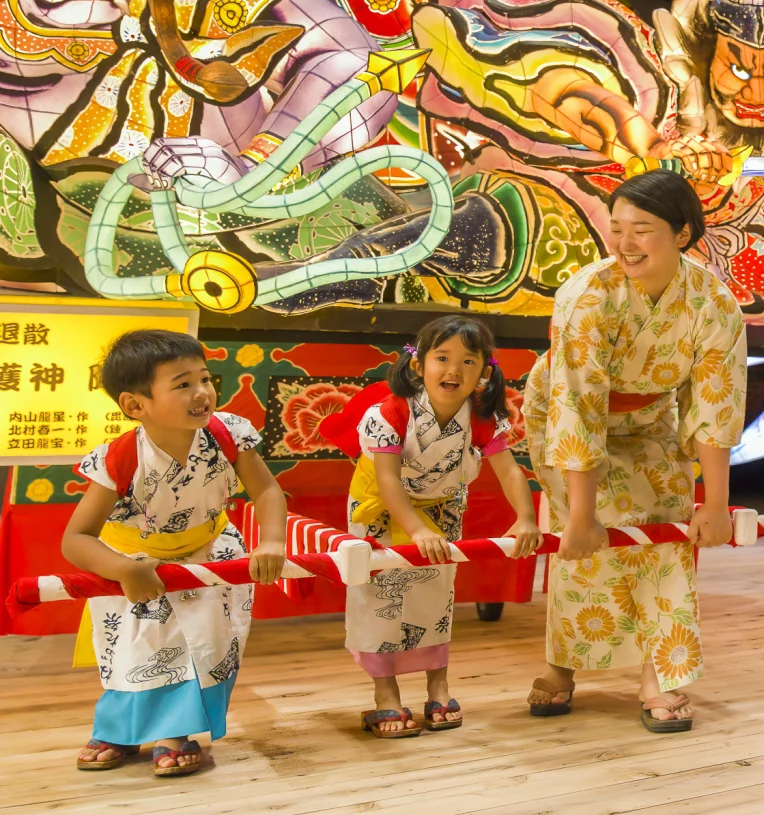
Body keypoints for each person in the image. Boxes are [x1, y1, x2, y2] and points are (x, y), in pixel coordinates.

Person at [523, 169, 748, 732]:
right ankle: (562, 665)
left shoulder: (713, 303)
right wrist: (577, 514)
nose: (623, 243)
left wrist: (714, 504)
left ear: (683, 233)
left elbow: (713, 405)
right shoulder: (586, 295)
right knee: (587, 538)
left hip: (651, 420)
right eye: (616, 227)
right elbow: (578, 403)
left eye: (641, 229)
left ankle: (660, 674)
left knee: (667, 530)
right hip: (563, 418)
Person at [61, 330, 287, 776]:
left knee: (201, 644)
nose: (202, 392)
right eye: (182, 384)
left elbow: (268, 491)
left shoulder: (227, 434)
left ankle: (176, 733)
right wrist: (125, 569)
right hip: (135, 562)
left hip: (210, 552)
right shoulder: (119, 459)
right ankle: (119, 731)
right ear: (135, 405)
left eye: (204, 378)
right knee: (135, 650)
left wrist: (273, 540)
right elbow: (76, 539)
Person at [318, 315, 541, 738]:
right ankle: (386, 696)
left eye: (468, 361)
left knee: (435, 599)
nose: (454, 370)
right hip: (380, 508)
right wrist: (417, 531)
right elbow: (386, 481)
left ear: (484, 372)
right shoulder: (390, 411)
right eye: (442, 357)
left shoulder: (481, 416)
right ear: (418, 365)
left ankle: (438, 686)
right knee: (378, 598)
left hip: (442, 508)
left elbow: (510, 472)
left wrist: (525, 517)